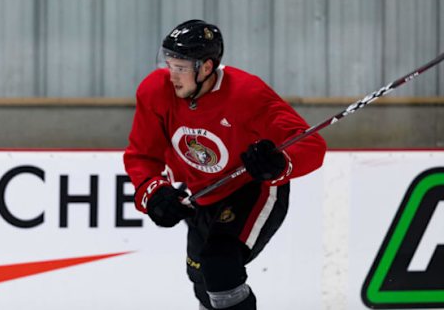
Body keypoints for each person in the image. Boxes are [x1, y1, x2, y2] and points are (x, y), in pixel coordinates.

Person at [124, 19, 327, 310]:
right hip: (202, 193)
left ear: (206, 67)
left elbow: (311, 144)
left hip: (253, 188)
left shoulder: (247, 94)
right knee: (201, 277)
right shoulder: (155, 92)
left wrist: (277, 162)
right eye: (170, 64)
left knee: (220, 264)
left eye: (181, 68)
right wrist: (154, 192)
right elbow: (142, 156)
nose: (172, 75)